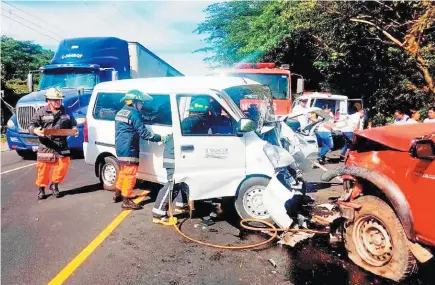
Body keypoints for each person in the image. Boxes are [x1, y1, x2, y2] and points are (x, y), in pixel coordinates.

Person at [113, 89, 165, 210]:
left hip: (120, 147)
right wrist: (160, 137)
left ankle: (117, 193)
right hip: (129, 147)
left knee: (123, 171)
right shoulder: (134, 114)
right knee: (130, 174)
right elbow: (144, 134)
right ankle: (126, 200)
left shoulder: (121, 112)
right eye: (141, 103)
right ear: (134, 102)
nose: (142, 105)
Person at [29, 87, 78, 200]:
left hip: (61, 145)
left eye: (59, 100)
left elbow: (73, 124)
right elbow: (31, 126)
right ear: (48, 100)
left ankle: (54, 185)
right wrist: (35, 130)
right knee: (43, 169)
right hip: (46, 146)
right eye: (55, 100)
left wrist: (75, 130)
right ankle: (41, 188)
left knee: (63, 166)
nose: (58, 102)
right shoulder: (41, 112)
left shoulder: (66, 112)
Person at [151, 134, 189, 225]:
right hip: (174, 157)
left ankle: (180, 205)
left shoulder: (192, 122)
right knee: (172, 184)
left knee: (180, 181)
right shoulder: (196, 122)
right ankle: (158, 214)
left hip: (177, 155)